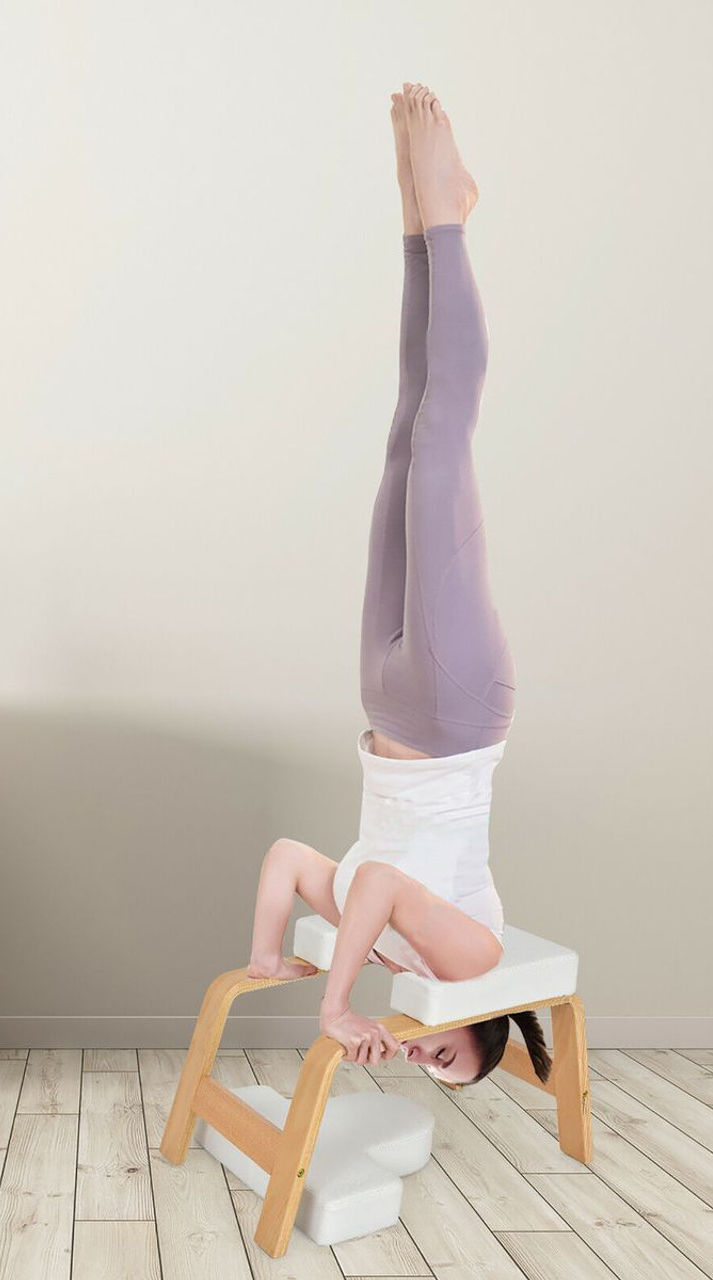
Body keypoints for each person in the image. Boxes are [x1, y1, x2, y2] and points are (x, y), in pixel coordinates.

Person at [244, 83, 551, 1088]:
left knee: (400, 435)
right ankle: (446, 214)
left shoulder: (381, 950)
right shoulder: (473, 963)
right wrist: (331, 1003)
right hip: (456, 712)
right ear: (484, 1026)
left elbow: (295, 858)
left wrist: (264, 954)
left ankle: (419, 222)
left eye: (426, 1070)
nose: (427, 1055)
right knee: (438, 441)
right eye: (454, 1058)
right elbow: (374, 874)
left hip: (384, 704)